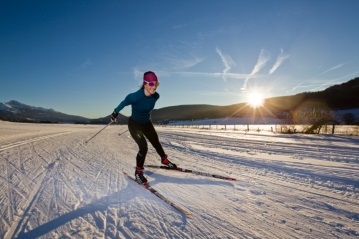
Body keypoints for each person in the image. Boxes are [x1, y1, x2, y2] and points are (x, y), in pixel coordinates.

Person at [111, 71, 177, 184]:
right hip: (135, 124)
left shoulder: (156, 96)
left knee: (155, 141)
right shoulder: (134, 97)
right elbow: (123, 103)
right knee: (143, 147)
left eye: (156, 83)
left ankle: (164, 160)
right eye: (151, 83)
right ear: (145, 84)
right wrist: (115, 112)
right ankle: (138, 172)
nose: (154, 86)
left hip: (146, 123)